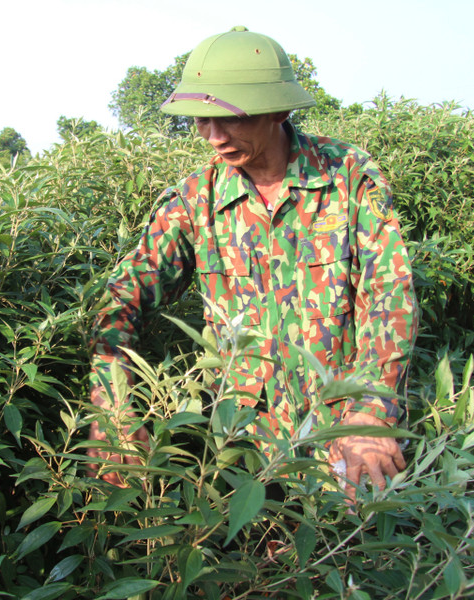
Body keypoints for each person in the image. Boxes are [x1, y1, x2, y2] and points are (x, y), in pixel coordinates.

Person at [88, 26, 417, 502]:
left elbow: (390, 295)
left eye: (230, 120)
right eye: (201, 120)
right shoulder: (195, 200)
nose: (214, 137)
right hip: (239, 450)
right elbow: (120, 297)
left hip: (343, 438)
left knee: (355, 562)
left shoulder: (347, 176)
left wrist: (371, 408)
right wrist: (113, 400)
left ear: (279, 110)